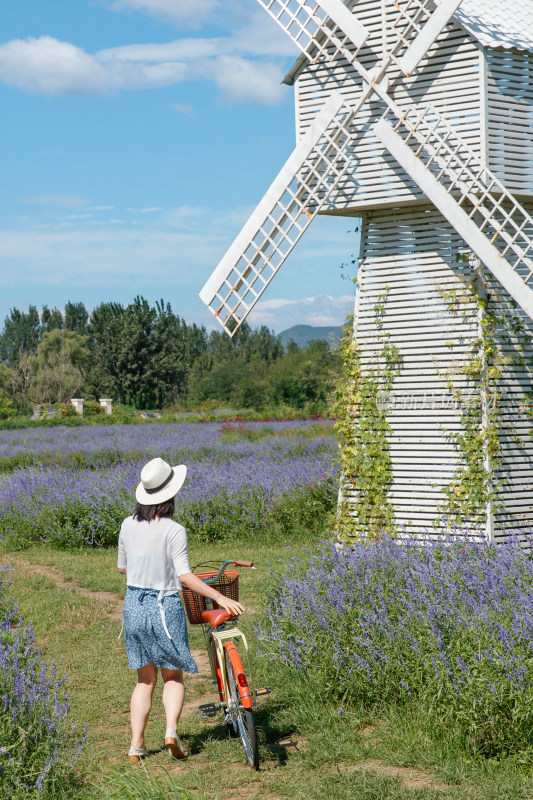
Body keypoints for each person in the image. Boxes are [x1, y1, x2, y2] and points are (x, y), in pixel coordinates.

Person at [117, 457, 244, 763]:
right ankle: (171, 731)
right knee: (172, 676)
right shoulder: (175, 530)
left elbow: (122, 568)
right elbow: (185, 576)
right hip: (164, 607)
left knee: (144, 680)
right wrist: (219, 597)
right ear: (170, 495)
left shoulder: (127, 524)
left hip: (134, 606)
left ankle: (136, 745)